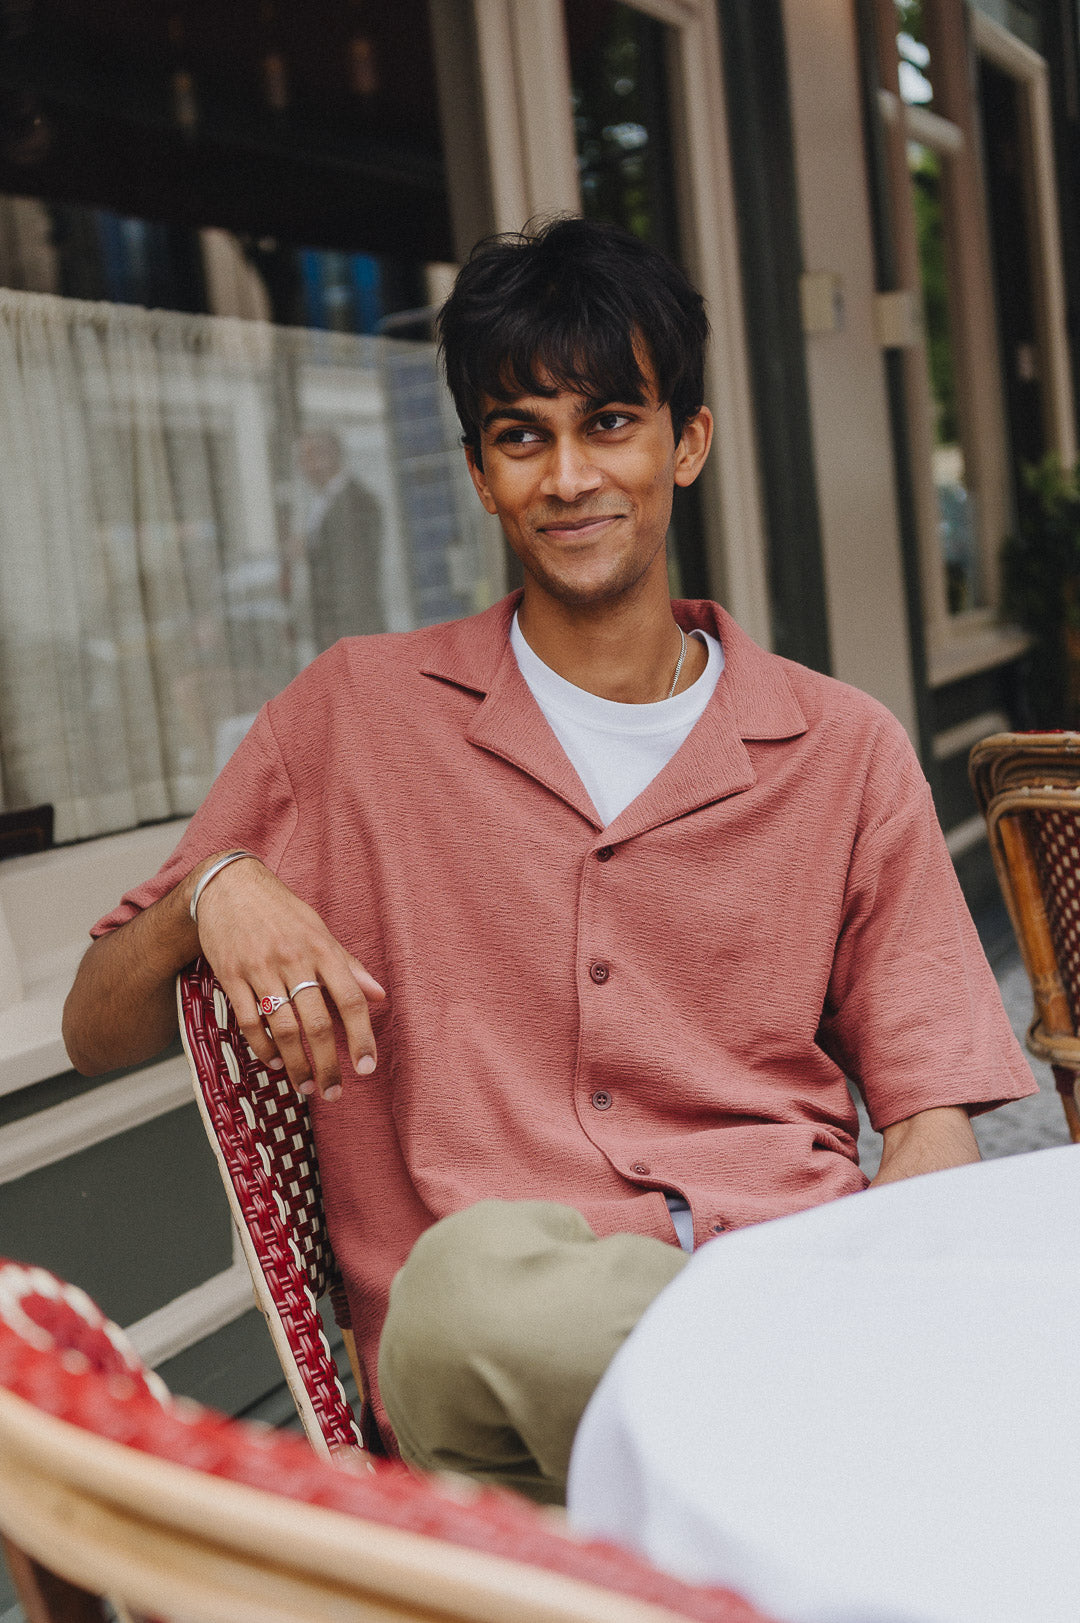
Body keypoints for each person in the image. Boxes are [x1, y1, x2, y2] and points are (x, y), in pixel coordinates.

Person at [63, 217, 1035, 1504]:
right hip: (500, 1367)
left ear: (687, 442)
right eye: (522, 437)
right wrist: (213, 889)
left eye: (610, 423)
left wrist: (898, 1276)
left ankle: (810, 1442)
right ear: (480, 473)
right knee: (471, 1286)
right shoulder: (354, 718)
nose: (569, 477)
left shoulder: (841, 747)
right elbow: (95, 1026)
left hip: (786, 1278)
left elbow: (930, 1125)